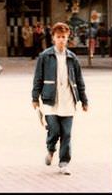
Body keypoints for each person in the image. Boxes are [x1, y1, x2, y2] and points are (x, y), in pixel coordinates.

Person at [32, 21, 88, 176]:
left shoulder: (72, 58)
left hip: (68, 101)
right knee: (54, 130)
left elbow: (79, 80)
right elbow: (38, 78)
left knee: (67, 133)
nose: (61, 39)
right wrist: (35, 98)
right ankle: (51, 149)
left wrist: (84, 100)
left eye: (64, 37)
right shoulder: (45, 56)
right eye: (58, 37)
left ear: (68, 37)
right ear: (53, 38)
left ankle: (64, 162)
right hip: (51, 100)